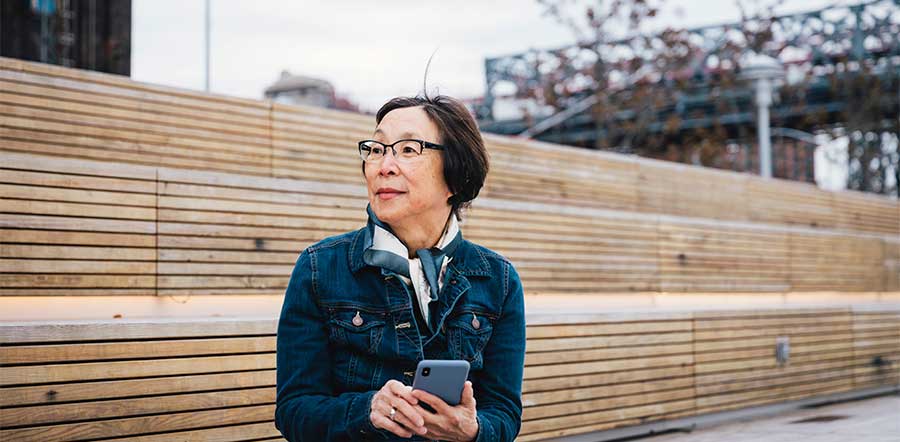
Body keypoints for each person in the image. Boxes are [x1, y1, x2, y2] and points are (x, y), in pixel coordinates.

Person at [274, 94, 526, 441]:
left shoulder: (498, 280)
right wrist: (368, 411)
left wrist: (474, 430)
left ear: (457, 173)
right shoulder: (320, 267)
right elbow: (294, 410)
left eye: (407, 150)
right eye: (376, 149)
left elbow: (504, 412)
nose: (383, 166)